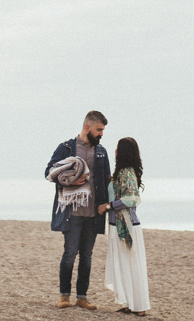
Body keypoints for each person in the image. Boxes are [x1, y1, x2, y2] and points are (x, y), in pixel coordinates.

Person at [45, 111, 111, 310]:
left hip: (93, 213)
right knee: (69, 254)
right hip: (71, 213)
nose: (101, 134)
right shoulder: (66, 148)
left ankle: (82, 297)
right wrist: (72, 179)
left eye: (103, 130)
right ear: (87, 127)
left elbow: (107, 179)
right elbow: (49, 171)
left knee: (87, 256)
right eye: (99, 129)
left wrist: (108, 205)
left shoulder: (101, 152)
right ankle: (64, 296)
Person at [98, 137, 150, 316]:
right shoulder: (121, 172)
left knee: (132, 264)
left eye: (117, 148)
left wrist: (108, 206)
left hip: (126, 224)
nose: (115, 151)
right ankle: (128, 302)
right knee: (123, 264)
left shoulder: (126, 172)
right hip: (115, 224)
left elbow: (132, 198)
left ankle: (140, 305)